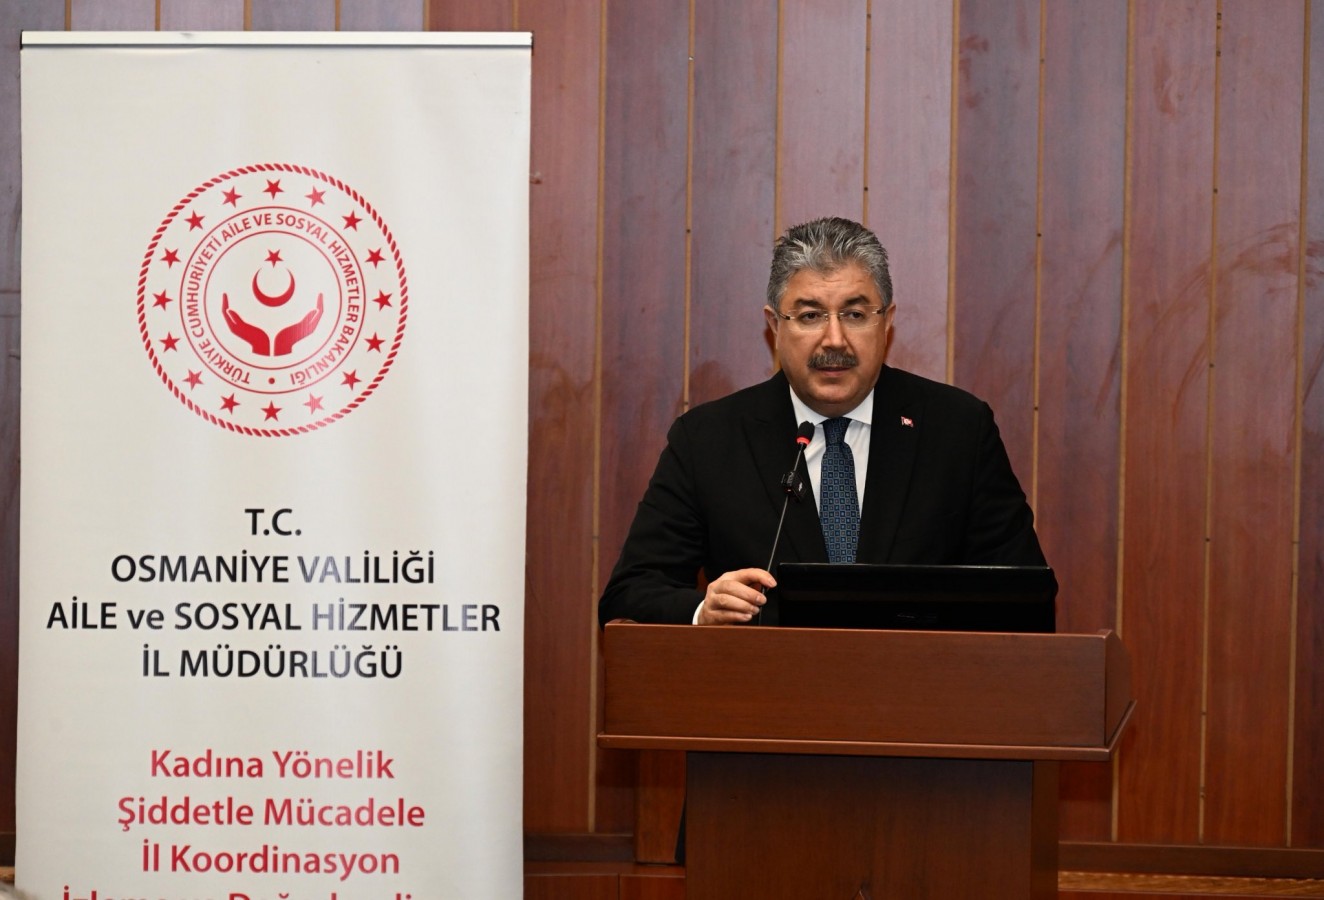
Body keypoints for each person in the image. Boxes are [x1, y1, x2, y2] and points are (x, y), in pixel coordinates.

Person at [598, 216, 1048, 627]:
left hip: (914, 686)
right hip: (765, 687)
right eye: (810, 315)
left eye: (854, 314)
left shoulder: (958, 430)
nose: (834, 340)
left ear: (887, 322)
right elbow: (629, 594)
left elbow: (1026, 598)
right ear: (775, 326)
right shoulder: (709, 440)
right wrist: (704, 612)